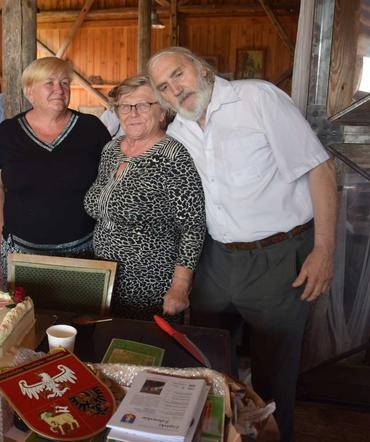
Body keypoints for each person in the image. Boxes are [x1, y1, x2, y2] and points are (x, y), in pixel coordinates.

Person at [148, 47, 337, 440]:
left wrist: (324, 249)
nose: (176, 89)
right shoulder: (180, 130)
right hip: (216, 259)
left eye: (178, 74)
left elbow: (319, 168)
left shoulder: (257, 98)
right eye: (164, 87)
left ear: (201, 67)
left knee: (273, 374)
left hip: (278, 255)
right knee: (208, 363)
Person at [84, 75, 205, 319]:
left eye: (142, 105)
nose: (132, 113)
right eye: (125, 106)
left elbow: (192, 226)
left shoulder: (173, 156)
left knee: (141, 350)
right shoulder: (111, 150)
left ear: (162, 113)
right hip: (105, 277)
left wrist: (180, 285)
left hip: (151, 282)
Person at [0, 57, 111, 279]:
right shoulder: (7, 133)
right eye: (49, 83)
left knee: (82, 314)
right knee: (25, 312)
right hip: (21, 251)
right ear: (29, 91)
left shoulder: (91, 129)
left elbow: (111, 184)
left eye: (65, 83)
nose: (59, 89)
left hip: (83, 250)